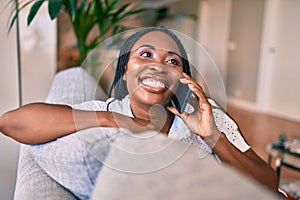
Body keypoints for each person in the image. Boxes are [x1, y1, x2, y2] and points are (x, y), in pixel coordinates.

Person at [0, 27, 278, 199]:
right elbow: (13, 122)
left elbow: (268, 184)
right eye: (145, 55)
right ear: (125, 70)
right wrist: (118, 120)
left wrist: (214, 136)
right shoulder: (106, 112)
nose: (159, 67)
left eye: (172, 61)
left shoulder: (207, 115)